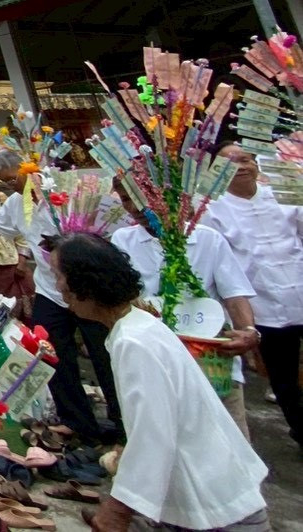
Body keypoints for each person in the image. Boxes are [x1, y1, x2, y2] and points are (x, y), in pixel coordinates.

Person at [52, 234, 269, 532]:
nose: (57, 287)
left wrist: (117, 511)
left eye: (59, 276)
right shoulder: (138, 327)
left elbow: (153, 436)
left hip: (217, 509)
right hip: (208, 496)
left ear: (82, 286)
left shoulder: (134, 342)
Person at [0, 150, 122, 445]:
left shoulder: (60, 192)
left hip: (85, 291)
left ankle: (122, 424)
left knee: (104, 354)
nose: (8, 184)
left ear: (26, 168)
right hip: (50, 290)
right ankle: (78, 423)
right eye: (3, 181)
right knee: (50, 353)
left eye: (11, 178)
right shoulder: (14, 205)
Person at [111, 182, 259, 437]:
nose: (133, 208)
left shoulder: (208, 240)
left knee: (231, 444)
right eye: (125, 199)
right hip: (154, 360)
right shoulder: (123, 240)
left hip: (210, 362)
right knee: (166, 442)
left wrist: (248, 331)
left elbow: (234, 294)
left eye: (139, 198)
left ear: (163, 194)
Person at [202, 143, 303, 454]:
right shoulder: (211, 209)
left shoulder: (283, 196)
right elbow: (216, 263)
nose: (241, 166)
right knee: (283, 376)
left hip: (299, 288)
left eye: (245, 159)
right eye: (231, 162)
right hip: (261, 304)